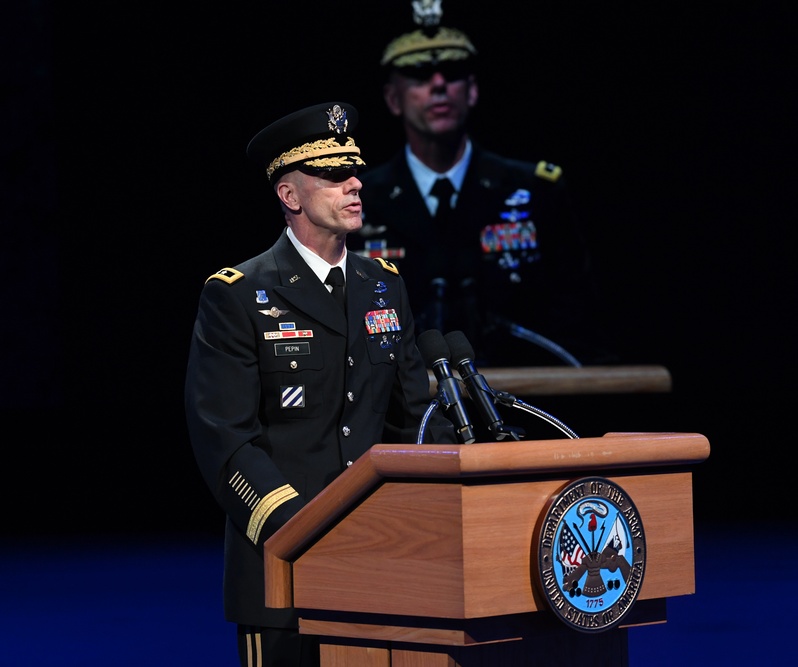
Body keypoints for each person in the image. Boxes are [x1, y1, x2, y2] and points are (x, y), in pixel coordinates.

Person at [184, 100, 458, 667]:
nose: (355, 184)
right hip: (284, 563)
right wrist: (301, 530)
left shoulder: (384, 286)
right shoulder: (237, 294)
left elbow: (412, 421)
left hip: (384, 561)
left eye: (354, 171)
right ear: (291, 197)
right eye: (334, 176)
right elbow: (225, 438)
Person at [349, 0, 613, 367]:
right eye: (420, 75)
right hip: (401, 411)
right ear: (393, 98)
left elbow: (580, 322)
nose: (438, 85)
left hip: (524, 402)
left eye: (452, 73)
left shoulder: (534, 191)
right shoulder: (360, 197)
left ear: (472, 91)